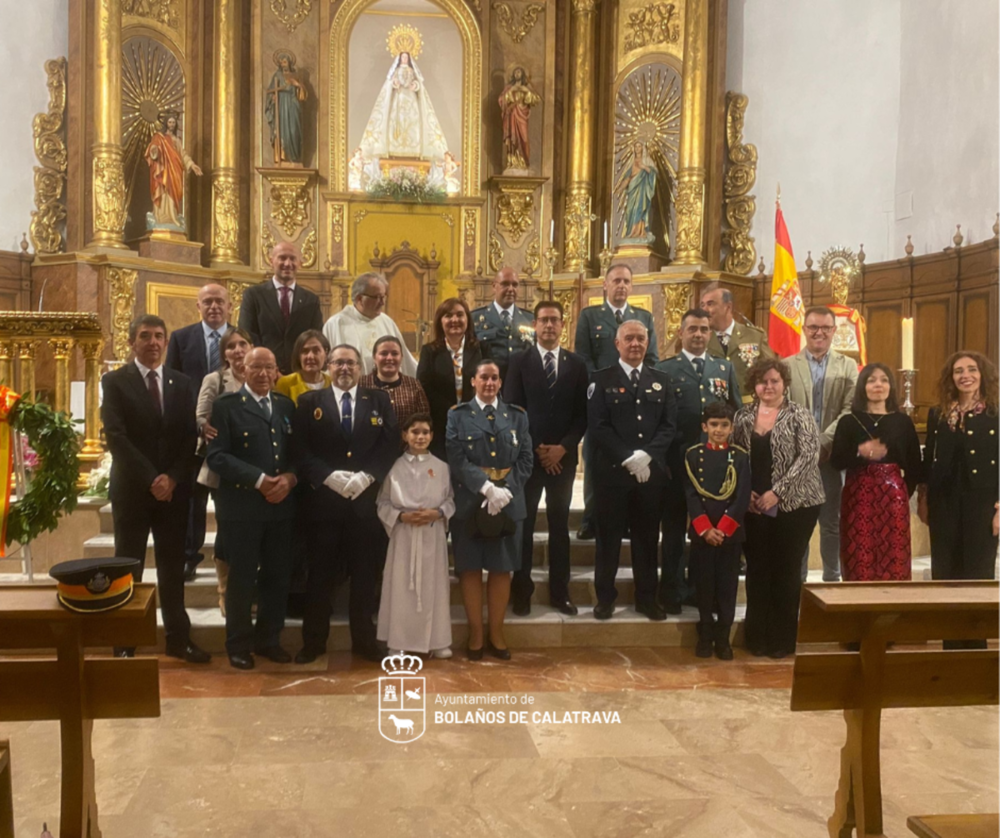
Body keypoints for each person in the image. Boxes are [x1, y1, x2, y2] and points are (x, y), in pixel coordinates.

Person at [100, 314, 209, 663]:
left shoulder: (182, 383)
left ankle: (178, 638)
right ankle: (125, 638)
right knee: (128, 566)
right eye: (145, 336)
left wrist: (172, 478)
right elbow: (116, 437)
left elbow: (188, 438)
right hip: (133, 489)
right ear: (132, 342)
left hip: (173, 493)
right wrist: (152, 478)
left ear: (165, 342)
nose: (153, 342)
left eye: (159, 336)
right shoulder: (115, 381)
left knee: (172, 568)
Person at [293, 344, 398, 664]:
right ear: (328, 365)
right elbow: (299, 448)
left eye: (350, 363)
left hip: (365, 507)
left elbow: (390, 443)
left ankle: (364, 641)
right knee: (320, 577)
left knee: (365, 577)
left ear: (360, 367)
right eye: (338, 362)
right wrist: (327, 477)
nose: (344, 368)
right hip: (324, 506)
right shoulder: (310, 401)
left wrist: (369, 476)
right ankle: (313, 641)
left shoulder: (378, 400)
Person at [207, 348, 298, 670]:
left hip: (280, 508)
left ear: (277, 372)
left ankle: (269, 640)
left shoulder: (286, 406)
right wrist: (259, 480)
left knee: (276, 578)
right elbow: (216, 456)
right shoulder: (226, 407)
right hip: (242, 508)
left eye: (268, 368)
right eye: (255, 367)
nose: (262, 374)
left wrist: (289, 478)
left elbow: (296, 453)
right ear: (243, 370)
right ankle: (238, 644)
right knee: (242, 579)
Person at [733, 358, 824, 659]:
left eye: (774, 381)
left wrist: (778, 492)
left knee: (786, 571)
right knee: (758, 570)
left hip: (796, 505)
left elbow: (809, 455)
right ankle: (757, 637)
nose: (768, 386)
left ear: (784, 383)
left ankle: (783, 640)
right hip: (754, 505)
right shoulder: (743, 417)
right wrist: (744, 494)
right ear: (754, 386)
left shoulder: (800, 414)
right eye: (762, 382)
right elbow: (734, 458)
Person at [503, 301, 589, 617]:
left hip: (562, 460)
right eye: (543, 320)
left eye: (554, 320)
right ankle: (522, 591)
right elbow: (513, 408)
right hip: (528, 458)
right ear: (534, 325)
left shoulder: (577, 365)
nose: (549, 325)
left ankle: (559, 592)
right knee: (523, 527)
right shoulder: (518, 361)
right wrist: (538, 447)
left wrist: (563, 448)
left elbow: (582, 415)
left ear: (562, 325)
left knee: (558, 526)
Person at [588, 319, 676, 621]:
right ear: (617, 344)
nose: (635, 344)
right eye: (629, 339)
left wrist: (647, 456)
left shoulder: (661, 380)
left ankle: (647, 598)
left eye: (640, 338)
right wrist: (629, 458)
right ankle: (605, 598)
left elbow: (668, 426)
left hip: (649, 477)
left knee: (647, 539)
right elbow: (597, 426)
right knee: (608, 540)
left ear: (648, 342)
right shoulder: (600, 379)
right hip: (612, 475)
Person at [655, 308, 741, 613]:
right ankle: (672, 589)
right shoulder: (665, 370)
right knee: (675, 529)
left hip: (715, 467)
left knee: (706, 529)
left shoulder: (724, 368)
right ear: (681, 333)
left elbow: (736, 414)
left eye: (704, 329)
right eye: (692, 329)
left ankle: (699, 588)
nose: (698, 335)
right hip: (678, 463)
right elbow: (659, 420)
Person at [447, 360, 533, 660]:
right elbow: (456, 458)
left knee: (501, 570)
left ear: (500, 382)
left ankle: (496, 632)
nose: (489, 383)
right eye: (483, 377)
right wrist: (487, 488)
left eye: (495, 378)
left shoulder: (517, 416)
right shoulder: (457, 416)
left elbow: (525, 458)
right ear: (473, 381)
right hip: (471, 502)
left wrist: (506, 490)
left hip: (509, 503)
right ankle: (476, 633)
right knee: (470, 569)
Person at [919, 351, 999, 649]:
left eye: (972, 369)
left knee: (977, 575)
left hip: (983, 505)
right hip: (945, 504)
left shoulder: (995, 412)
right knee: (946, 575)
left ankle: (975, 646)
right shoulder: (939, 413)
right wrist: (923, 498)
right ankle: (950, 646)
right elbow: (929, 459)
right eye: (958, 371)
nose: (965, 375)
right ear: (950, 378)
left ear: (982, 374)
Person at [575, 263, 658, 540]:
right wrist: (600, 388)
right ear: (605, 285)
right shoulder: (590, 316)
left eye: (626, 281)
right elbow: (584, 358)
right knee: (596, 458)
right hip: (602, 399)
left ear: (631, 286)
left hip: (635, 401)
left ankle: (628, 518)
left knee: (632, 455)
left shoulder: (643, 317)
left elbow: (653, 359)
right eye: (616, 281)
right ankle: (591, 517)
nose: (621, 286)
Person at [165, 282, 235, 581]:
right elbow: (172, 382)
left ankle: (229, 557)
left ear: (230, 306)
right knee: (192, 501)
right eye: (207, 302)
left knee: (228, 503)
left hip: (233, 435)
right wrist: (197, 423)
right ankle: (188, 557)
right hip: (192, 435)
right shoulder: (181, 338)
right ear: (198, 306)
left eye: (219, 301)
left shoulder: (241, 339)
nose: (214, 306)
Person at [831, 363, 921, 581]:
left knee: (894, 556)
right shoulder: (848, 421)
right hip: (857, 497)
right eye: (871, 380)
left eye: (884, 380)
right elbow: (836, 461)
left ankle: (894, 610)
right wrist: (860, 453)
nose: (878, 385)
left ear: (891, 387)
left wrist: (901, 495)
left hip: (893, 498)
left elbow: (915, 465)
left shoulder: (902, 421)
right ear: (863, 387)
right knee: (859, 555)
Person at [787, 306, 858, 582]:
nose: (819, 332)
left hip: (830, 455)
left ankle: (832, 579)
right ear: (804, 329)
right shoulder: (787, 364)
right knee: (798, 524)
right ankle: (798, 581)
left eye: (825, 328)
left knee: (831, 523)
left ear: (834, 331)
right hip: (796, 457)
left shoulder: (847, 365)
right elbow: (784, 408)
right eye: (813, 327)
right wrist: (805, 446)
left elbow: (849, 409)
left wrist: (822, 442)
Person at [376, 413, 455, 658]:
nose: (420, 437)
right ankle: (398, 643)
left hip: (431, 536)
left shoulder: (441, 467)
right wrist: (401, 516)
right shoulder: (393, 467)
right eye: (415, 432)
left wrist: (438, 512)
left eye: (425, 432)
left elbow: (450, 501)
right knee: (401, 588)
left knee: (435, 588)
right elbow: (383, 502)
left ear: (431, 436)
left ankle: (437, 641)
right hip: (404, 536)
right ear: (405, 435)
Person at [683, 402, 751, 659]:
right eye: (714, 425)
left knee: (727, 587)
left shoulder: (740, 456)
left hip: (729, 535)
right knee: (704, 585)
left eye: (724, 425)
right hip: (703, 534)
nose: (719, 430)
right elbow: (691, 494)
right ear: (704, 427)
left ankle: (723, 637)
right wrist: (705, 529)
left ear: (732, 428)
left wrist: (721, 529)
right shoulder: (692, 455)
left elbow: (741, 496)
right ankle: (705, 635)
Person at [196, 327, 252, 613]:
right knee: (228, 530)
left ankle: (249, 590)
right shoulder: (215, 379)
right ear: (224, 353)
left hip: (257, 469)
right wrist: (205, 427)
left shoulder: (263, 376)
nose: (238, 350)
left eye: (243, 344)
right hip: (224, 469)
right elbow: (201, 416)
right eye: (232, 346)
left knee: (252, 533)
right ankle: (225, 590)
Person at [238, 241, 323, 376]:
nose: (287, 263)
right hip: (263, 374)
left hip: (299, 375)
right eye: (282, 258)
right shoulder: (253, 295)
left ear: (300, 263)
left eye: (293, 258)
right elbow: (247, 334)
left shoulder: (311, 300)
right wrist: (268, 366)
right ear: (271, 261)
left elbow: (315, 337)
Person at [417, 297, 486, 462]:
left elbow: (489, 383)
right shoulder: (430, 351)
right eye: (448, 315)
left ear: (467, 320)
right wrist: (453, 411)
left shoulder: (482, 349)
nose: (455, 320)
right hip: (442, 424)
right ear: (440, 321)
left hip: (476, 423)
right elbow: (424, 386)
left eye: (460, 315)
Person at [322, 273, 417, 377]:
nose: (382, 302)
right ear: (359, 299)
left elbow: (407, 361)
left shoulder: (386, 322)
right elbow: (327, 366)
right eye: (377, 297)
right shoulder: (336, 324)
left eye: (383, 297)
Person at [699, 282, 774, 400]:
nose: (705, 310)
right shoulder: (701, 340)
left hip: (748, 409)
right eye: (702, 305)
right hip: (714, 411)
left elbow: (771, 374)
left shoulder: (755, 336)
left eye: (710, 304)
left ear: (728, 307)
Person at [470, 267, 534, 382]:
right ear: (494, 286)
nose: (511, 289)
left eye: (515, 285)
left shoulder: (529, 319)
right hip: (488, 384)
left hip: (520, 383)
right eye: (505, 284)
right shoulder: (475, 319)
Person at [144, 110, 202, 229]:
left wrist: (192, 165)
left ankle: (172, 217)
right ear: (166, 123)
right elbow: (153, 148)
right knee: (163, 192)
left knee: (173, 194)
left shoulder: (177, 140)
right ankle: (160, 217)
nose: (171, 124)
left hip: (175, 171)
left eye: (173, 122)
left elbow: (183, 155)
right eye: (169, 122)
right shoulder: (159, 137)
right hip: (163, 170)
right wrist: (154, 150)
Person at [360, 335, 430, 431]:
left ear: (401, 357)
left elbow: (424, 421)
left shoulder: (414, 385)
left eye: (394, 353)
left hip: (406, 445)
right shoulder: (361, 385)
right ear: (374, 358)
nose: (389, 358)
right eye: (384, 353)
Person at [265, 50, 307, 165]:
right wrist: (272, 99)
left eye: (285, 61)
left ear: (289, 63)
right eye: (281, 62)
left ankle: (295, 157)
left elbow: (303, 96)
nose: (284, 64)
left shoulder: (296, 76)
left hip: (293, 105)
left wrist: (297, 84)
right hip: (281, 106)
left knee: (294, 131)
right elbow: (270, 92)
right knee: (282, 132)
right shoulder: (277, 76)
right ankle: (283, 157)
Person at [275, 330, 331, 404]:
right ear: (298, 356)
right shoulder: (285, 383)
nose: (310, 356)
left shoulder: (333, 383)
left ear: (326, 354)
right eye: (305, 351)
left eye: (316, 351)